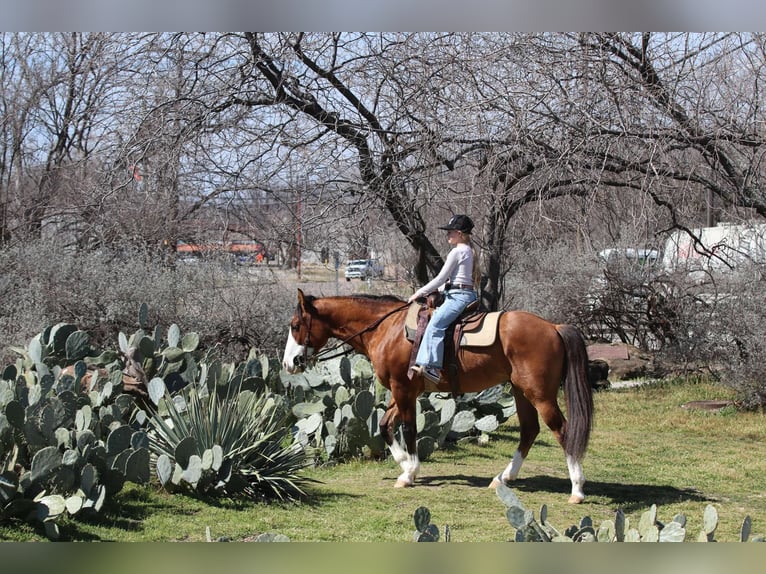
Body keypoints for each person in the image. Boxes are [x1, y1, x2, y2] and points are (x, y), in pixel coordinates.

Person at [408, 214, 479, 384]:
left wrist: (419, 293)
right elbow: (450, 281)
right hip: (463, 294)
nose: (447, 234)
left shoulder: (457, 251)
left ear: (460, 233)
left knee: (435, 325)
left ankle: (432, 367)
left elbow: (440, 278)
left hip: (458, 297)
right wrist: (438, 290)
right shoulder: (468, 250)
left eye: (451, 231)